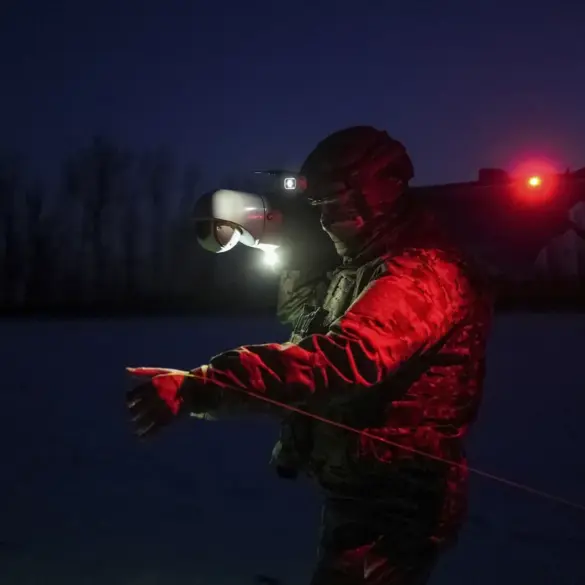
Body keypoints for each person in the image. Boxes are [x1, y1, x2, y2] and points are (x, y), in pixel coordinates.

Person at [126, 126, 493, 584]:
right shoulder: (361, 267)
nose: (325, 220)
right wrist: (288, 247)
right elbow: (303, 321)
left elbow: (339, 361)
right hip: (360, 490)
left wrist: (201, 386)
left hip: (398, 506)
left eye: (336, 204)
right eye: (319, 207)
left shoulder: (422, 274)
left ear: (377, 195)